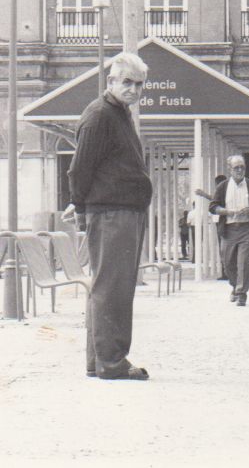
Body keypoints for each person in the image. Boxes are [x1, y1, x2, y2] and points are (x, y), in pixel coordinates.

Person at [61, 52, 153, 381]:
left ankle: (98, 360)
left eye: (139, 84)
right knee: (114, 286)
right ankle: (112, 362)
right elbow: (79, 168)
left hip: (120, 211)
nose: (133, 89)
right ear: (111, 81)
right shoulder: (101, 115)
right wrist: (81, 206)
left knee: (107, 285)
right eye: (126, 82)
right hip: (113, 212)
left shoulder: (117, 113)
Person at [208, 155, 249, 306]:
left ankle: (242, 293)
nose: (240, 170)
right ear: (230, 169)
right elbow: (213, 207)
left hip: (246, 229)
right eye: (236, 168)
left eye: (242, 167)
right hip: (228, 230)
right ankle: (234, 285)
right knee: (228, 263)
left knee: (244, 262)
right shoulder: (223, 187)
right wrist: (226, 211)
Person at [196, 175, 228, 278]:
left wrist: (203, 194)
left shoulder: (223, 191)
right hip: (224, 223)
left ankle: (225, 273)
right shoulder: (228, 190)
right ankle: (226, 272)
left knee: (223, 248)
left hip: (224, 223)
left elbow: (215, 199)